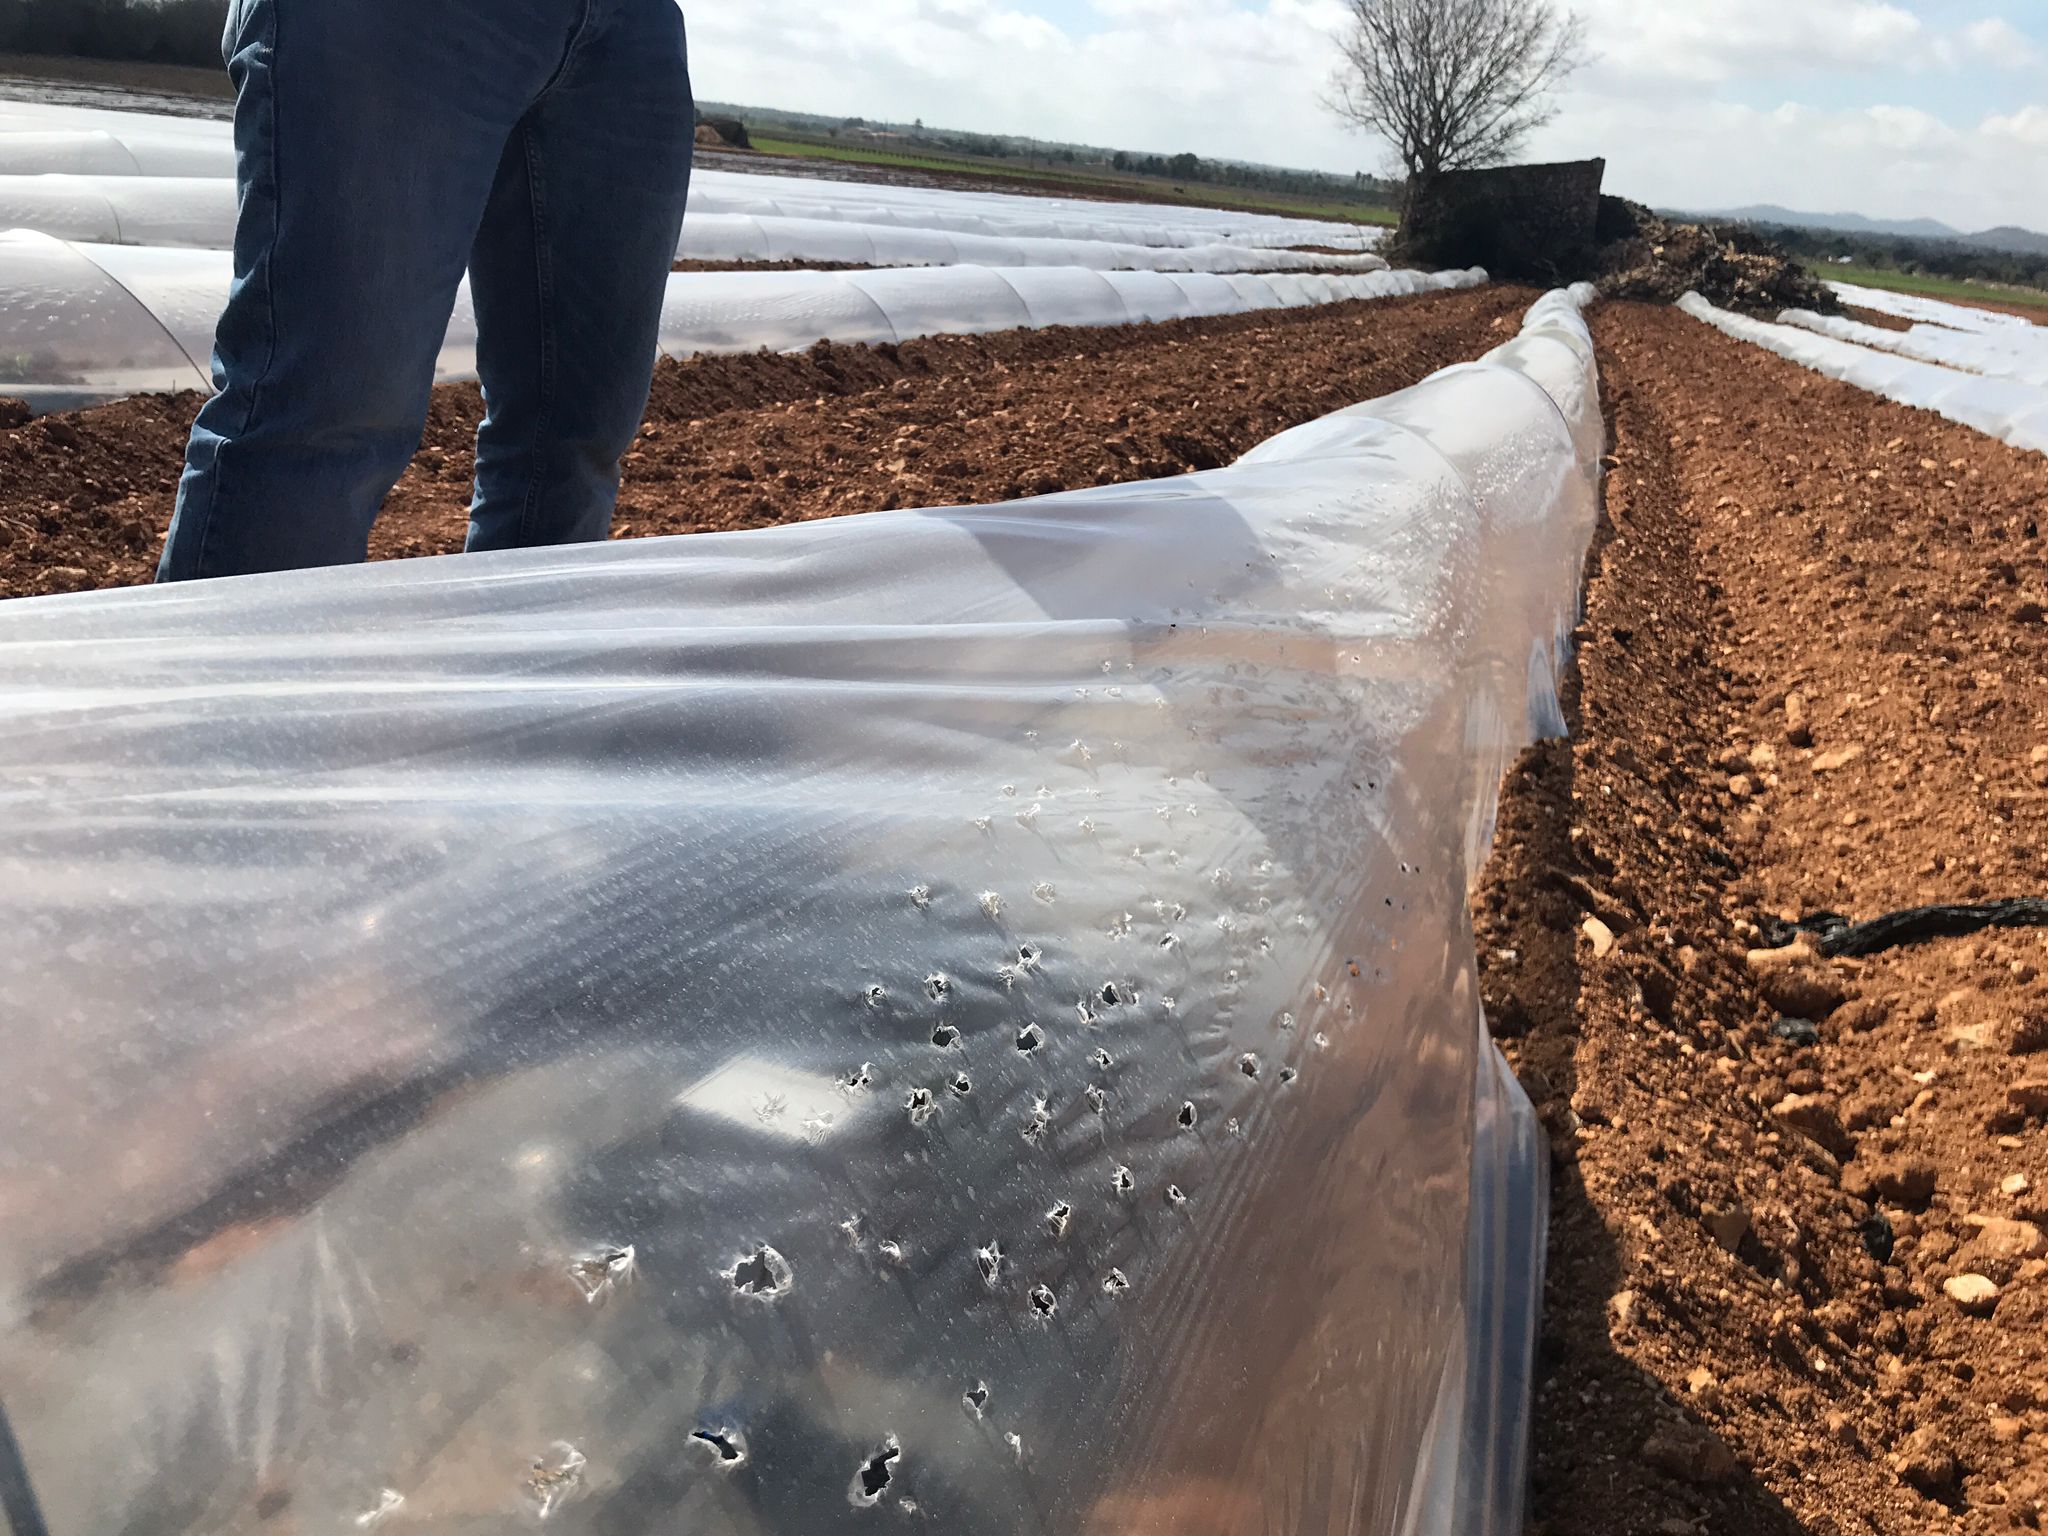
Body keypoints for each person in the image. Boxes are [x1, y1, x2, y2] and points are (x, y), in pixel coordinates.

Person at [157, 0, 694, 581]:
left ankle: (516, 664)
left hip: (632, 22)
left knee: (574, 437)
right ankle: (237, 667)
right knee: (323, 415)